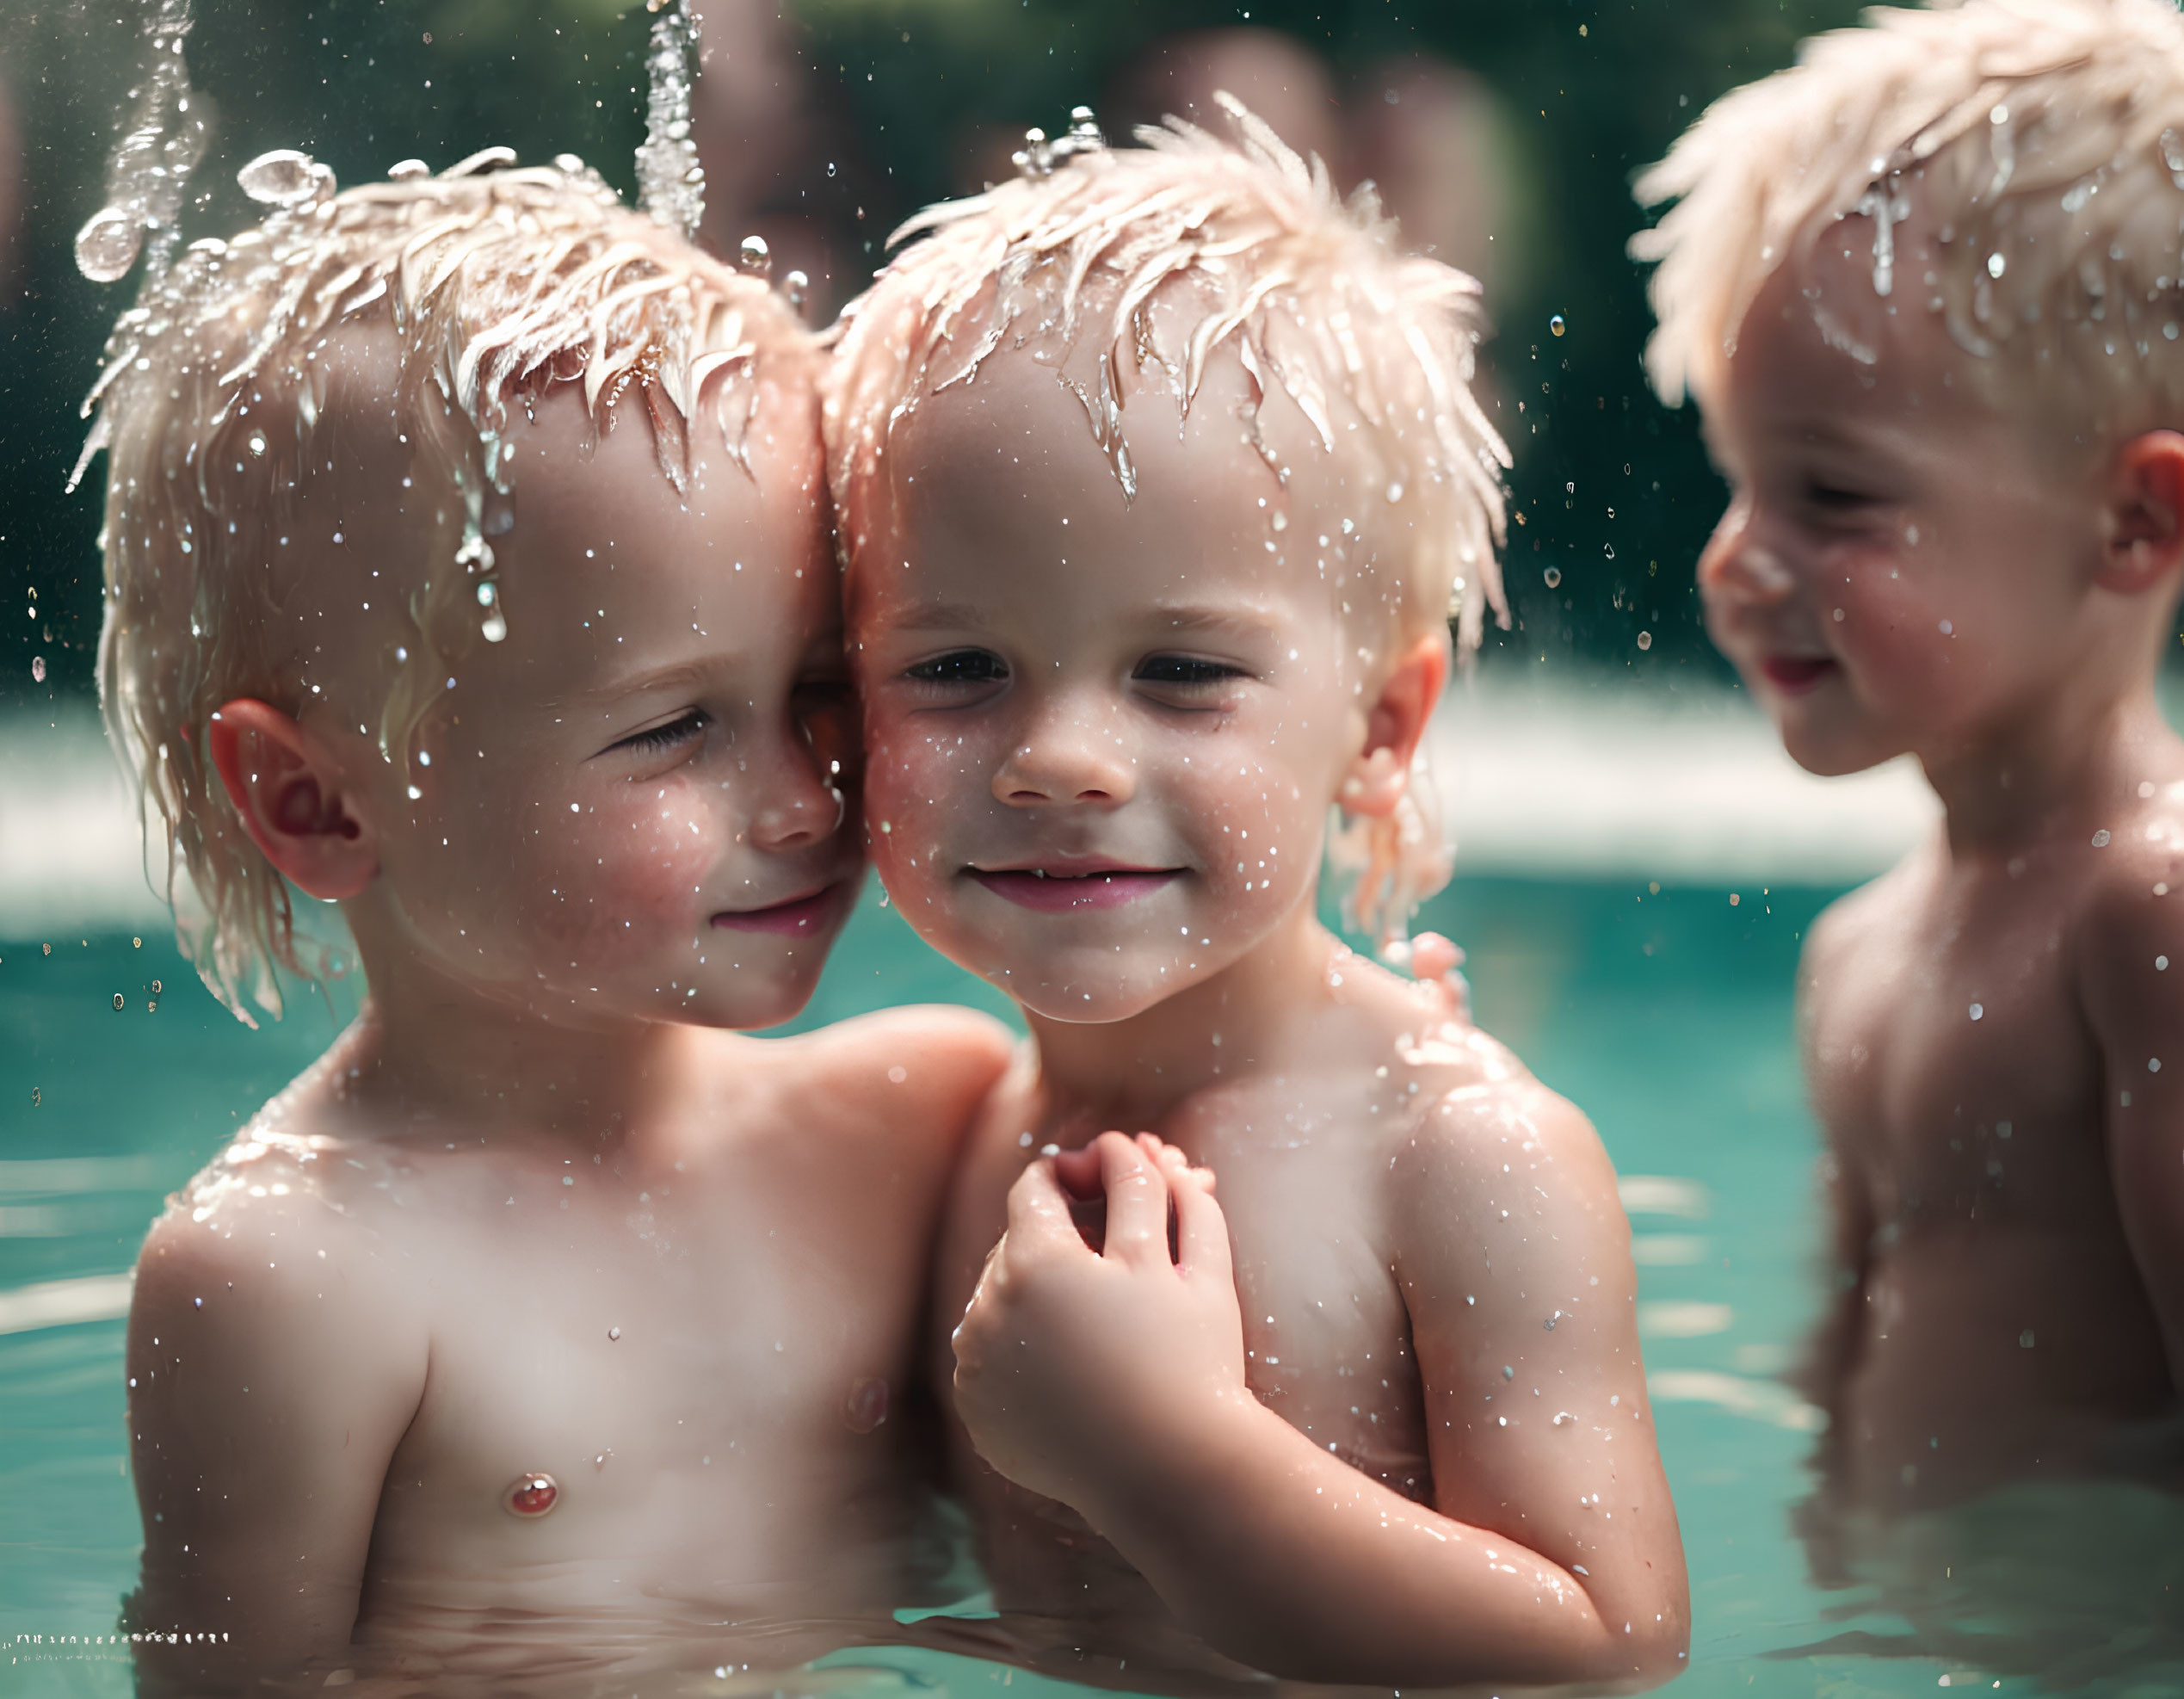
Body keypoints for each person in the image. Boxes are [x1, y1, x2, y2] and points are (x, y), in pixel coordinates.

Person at [96, 154, 1009, 1691]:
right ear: (316, 804)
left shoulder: (919, 1123)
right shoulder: (284, 1277)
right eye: (671, 731)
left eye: (814, 691)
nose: (802, 798)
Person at [824, 100, 1688, 1690]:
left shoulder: (1457, 1155)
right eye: (954, 667)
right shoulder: (949, 1126)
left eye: (1179, 671)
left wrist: (1163, 1458)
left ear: (1379, 728)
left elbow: (1601, 1647)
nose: (1059, 758)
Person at [1633, 0, 2184, 1550]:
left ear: (2131, 522)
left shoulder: (2149, 919)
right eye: (1738, 482)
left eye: (1832, 495)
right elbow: (1844, 1349)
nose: (1738, 561)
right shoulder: (1857, 949)